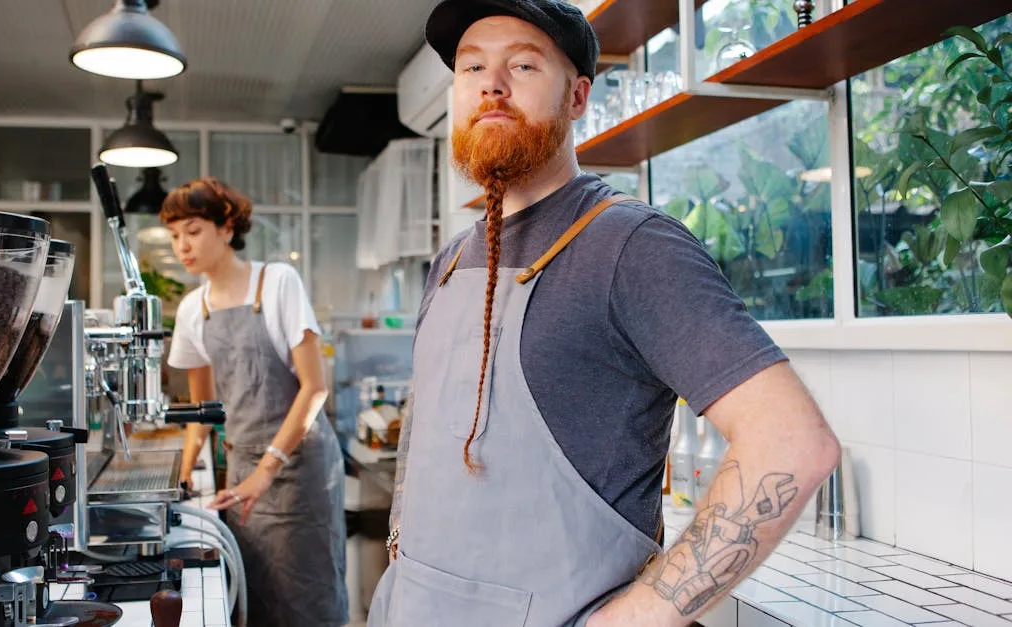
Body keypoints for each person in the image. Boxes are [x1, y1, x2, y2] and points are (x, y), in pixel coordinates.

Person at [367, 1, 841, 626]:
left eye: (525, 65)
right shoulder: (452, 260)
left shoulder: (631, 246)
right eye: (471, 67)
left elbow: (791, 443)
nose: (492, 85)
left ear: (578, 97)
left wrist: (639, 617)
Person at [162, 177, 348, 627]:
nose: (182, 246)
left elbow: (314, 387)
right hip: (242, 474)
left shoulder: (277, 282)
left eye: (192, 230)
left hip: (298, 470)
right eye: (173, 236)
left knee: (307, 597)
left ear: (226, 228)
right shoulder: (193, 309)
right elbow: (202, 414)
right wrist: (181, 481)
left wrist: (268, 469)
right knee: (258, 595)